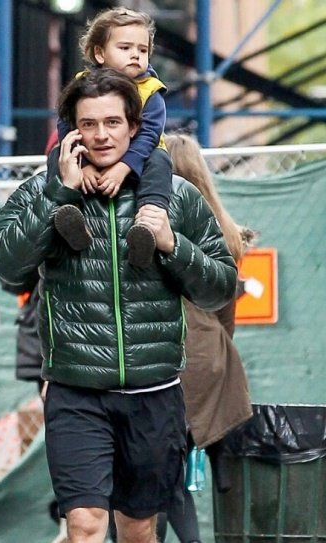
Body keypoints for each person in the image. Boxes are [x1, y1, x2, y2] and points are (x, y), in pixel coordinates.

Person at [0, 69, 237, 543]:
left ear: (134, 127)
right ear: (72, 131)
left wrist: (172, 245)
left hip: (154, 393)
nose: (101, 135)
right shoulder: (43, 191)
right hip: (75, 394)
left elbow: (220, 288)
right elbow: (6, 264)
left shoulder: (175, 197)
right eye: (89, 124)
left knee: (138, 529)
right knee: (84, 524)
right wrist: (58, 194)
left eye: (112, 122)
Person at [160, 133, 254, 543]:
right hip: (213, 356)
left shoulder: (157, 222)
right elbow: (225, 313)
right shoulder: (225, 230)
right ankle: (219, 457)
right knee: (169, 474)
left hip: (169, 358)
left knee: (153, 478)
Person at [53, 6, 172, 269]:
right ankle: (70, 217)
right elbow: (65, 124)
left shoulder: (151, 90)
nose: (135, 55)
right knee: (58, 153)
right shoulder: (84, 85)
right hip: (91, 156)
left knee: (160, 158)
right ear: (99, 53)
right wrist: (83, 165)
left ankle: (148, 227)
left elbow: (150, 134)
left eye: (143, 50)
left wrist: (124, 166)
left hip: (139, 159)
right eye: (125, 48)